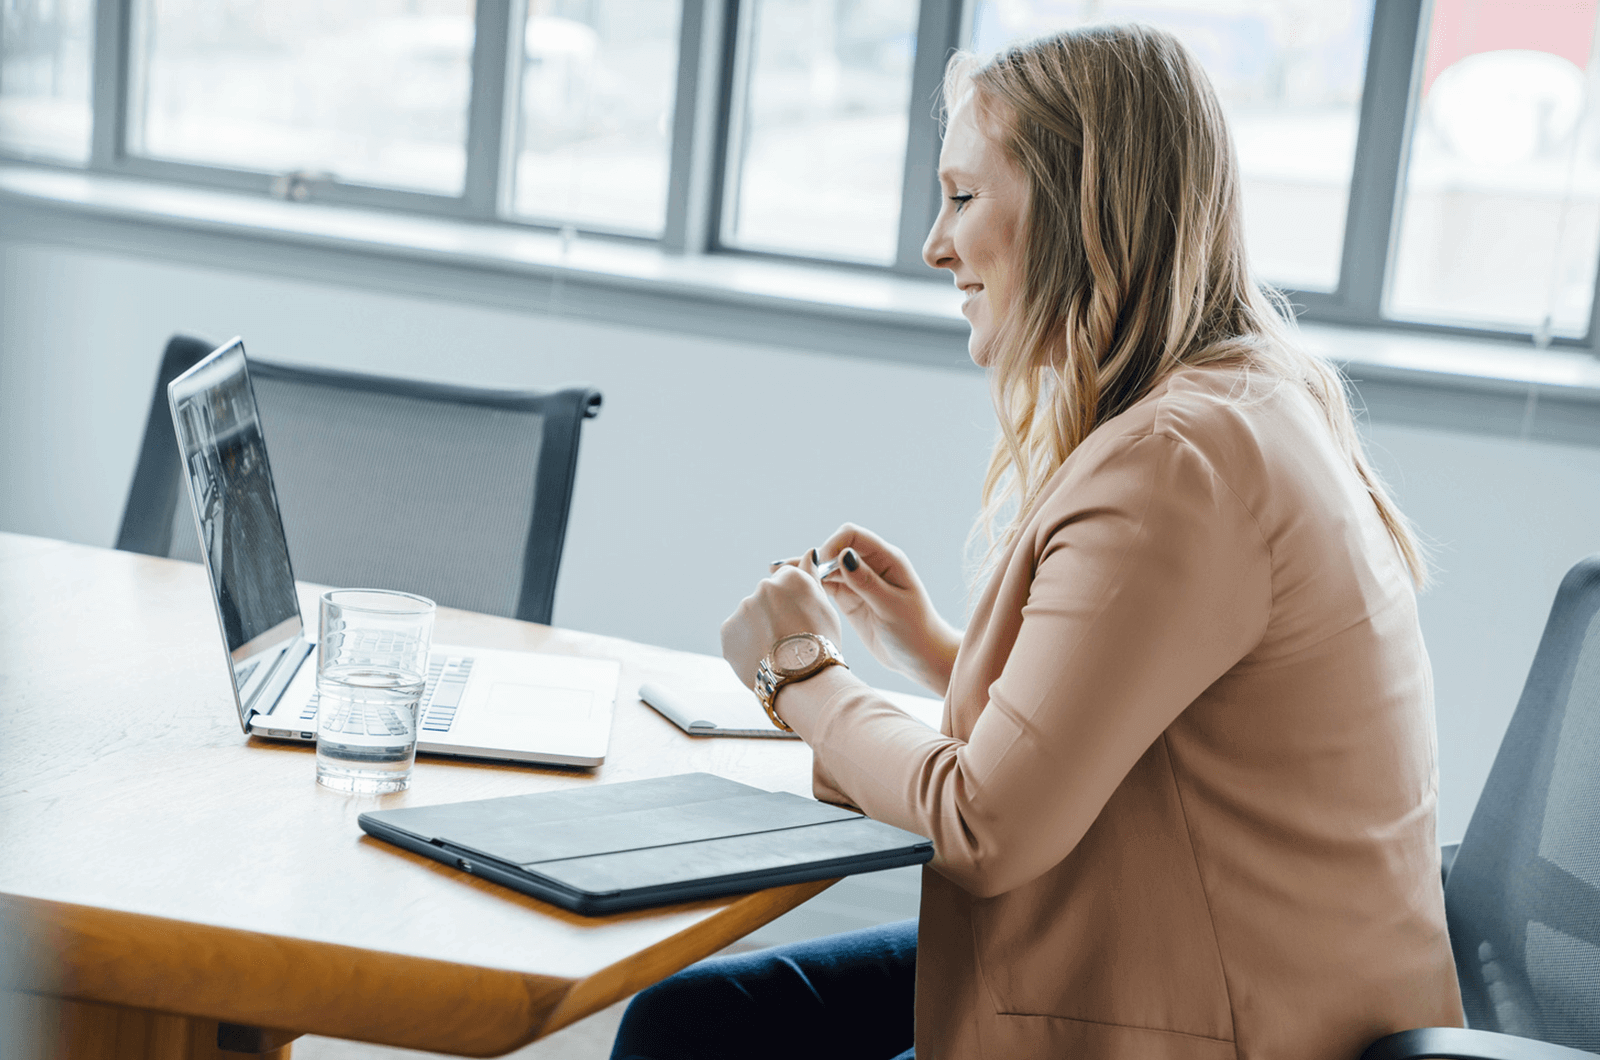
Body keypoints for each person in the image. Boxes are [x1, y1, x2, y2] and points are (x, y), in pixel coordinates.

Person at [611, 22, 1464, 1060]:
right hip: (1225, 981)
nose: (936, 244)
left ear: (1079, 207)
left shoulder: (1175, 465)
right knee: (697, 1023)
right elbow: (1143, 725)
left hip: (1216, 1027)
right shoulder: (1249, 402)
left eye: (963, 198)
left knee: (689, 1038)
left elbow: (983, 826)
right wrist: (934, 646)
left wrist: (798, 674)